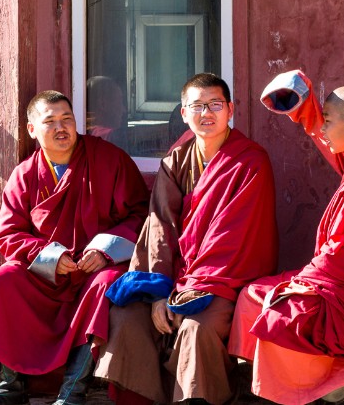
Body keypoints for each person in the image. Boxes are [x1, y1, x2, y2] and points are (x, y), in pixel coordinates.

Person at [228, 70, 344, 405]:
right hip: (333, 279)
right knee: (251, 295)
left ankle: (335, 380)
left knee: (278, 317)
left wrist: (305, 281)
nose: (323, 130)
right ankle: (303, 382)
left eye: (328, 122)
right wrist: (303, 104)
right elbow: (325, 135)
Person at [95, 73, 279, 405]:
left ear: (230, 109)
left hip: (225, 279)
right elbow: (160, 227)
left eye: (215, 105)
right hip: (177, 277)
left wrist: (188, 291)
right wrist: (157, 292)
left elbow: (233, 236)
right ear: (183, 113)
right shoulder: (175, 161)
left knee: (196, 328)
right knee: (127, 318)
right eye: (197, 106)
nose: (206, 113)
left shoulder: (251, 161)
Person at [0, 90, 148, 405]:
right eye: (50, 121)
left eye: (67, 119)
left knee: (106, 284)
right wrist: (50, 255)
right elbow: (9, 234)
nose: (62, 128)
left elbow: (139, 214)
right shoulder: (24, 175)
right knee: (0, 281)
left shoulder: (109, 159)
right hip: (47, 274)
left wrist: (104, 251)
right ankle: (12, 387)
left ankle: (72, 391)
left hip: (95, 268)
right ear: (32, 130)